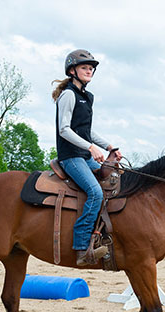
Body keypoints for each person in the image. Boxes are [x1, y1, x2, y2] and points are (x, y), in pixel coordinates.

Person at [52, 49, 122, 266]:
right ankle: (82, 247)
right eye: (85, 67)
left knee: (115, 182)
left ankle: (104, 237)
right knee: (94, 192)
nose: (89, 70)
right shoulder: (68, 95)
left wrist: (109, 146)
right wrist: (91, 148)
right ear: (72, 71)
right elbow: (64, 130)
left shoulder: (87, 97)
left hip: (84, 155)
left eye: (91, 68)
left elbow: (86, 131)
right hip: (71, 156)